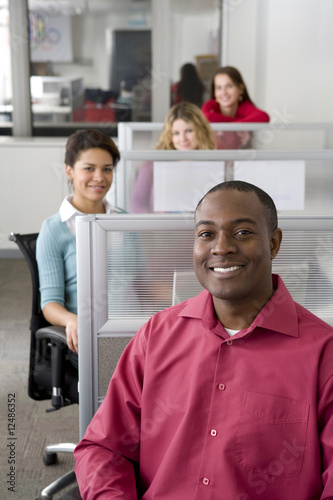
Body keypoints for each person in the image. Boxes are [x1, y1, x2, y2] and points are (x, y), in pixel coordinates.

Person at [74, 180, 333, 499]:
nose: (221, 247)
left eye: (243, 232)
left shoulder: (324, 354)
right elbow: (104, 448)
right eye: (206, 234)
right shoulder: (156, 335)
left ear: (274, 243)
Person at [36, 129, 125, 367]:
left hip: (134, 327)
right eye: (89, 168)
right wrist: (72, 321)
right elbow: (50, 304)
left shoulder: (126, 221)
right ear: (69, 170)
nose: (99, 177)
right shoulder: (54, 229)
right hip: (91, 335)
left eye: (107, 169)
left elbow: (144, 284)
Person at [130, 102, 216, 213]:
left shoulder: (215, 163)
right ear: (169, 136)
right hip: (161, 228)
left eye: (189, 131)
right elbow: (137, 202)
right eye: (176, 133)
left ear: (201, 131)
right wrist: (153, 226)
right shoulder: (152, 164)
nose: (183, 138)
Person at [201, 66, 269, 149]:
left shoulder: (244, 107)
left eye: (229, 86)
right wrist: (238, 126)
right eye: (219, 88)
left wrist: (232, 126)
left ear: (241, 88)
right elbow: (206, 117)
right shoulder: (210, 106)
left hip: (240, 158)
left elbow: (264, 117)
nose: (223, 92)